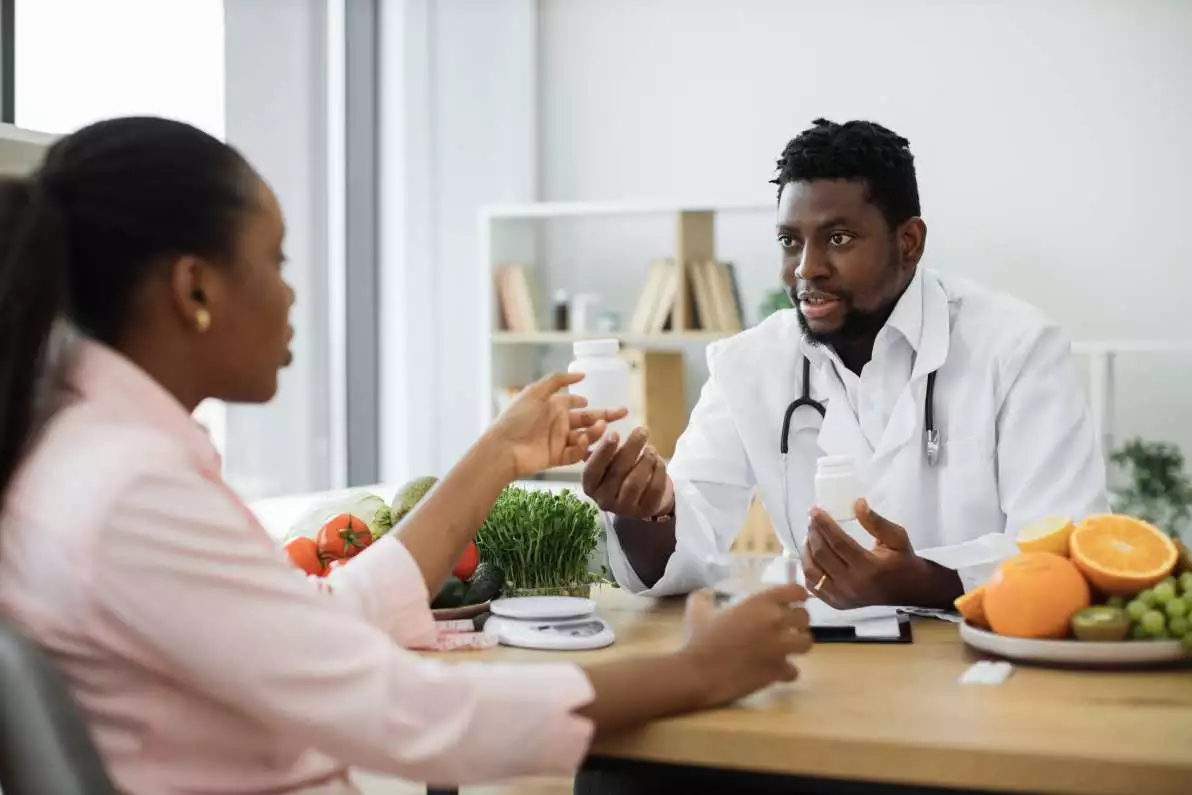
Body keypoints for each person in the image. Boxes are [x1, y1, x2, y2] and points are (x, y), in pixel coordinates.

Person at [0, 117, 813, 795]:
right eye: (276, 261)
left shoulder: (82, 458)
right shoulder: (131, 493)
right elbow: (411, 714)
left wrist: (497, 455)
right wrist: (699, 672)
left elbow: (315, 630)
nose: (291, 295)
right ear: (194, 290)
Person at [583, 118, 1108, 610]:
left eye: (838, 239)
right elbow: (687, 548)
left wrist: (926, 581)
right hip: (829, 668)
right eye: (791, 242)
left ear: (909, 242)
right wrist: (648, 510)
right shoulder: (750, 364)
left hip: (983, 661)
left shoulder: (1017, 347)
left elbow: (1063, 544)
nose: (806, 269)